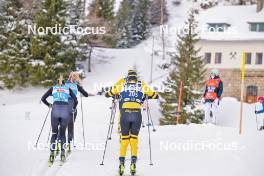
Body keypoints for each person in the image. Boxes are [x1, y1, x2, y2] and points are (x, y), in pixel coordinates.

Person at [105, 70, 159, 176]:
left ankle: (121, 165)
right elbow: (154, 94)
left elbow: (109, 93)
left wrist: (110, 94)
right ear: (136, 77)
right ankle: (133, 165)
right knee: (134, 139)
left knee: (124, 140)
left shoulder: (122, 84)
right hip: (137, 114)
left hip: (124, 113)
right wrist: (152, 96)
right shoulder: (141, 84)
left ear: (128, 77)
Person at [41, 75, 78, 166]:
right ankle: (62, 154)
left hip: (55, 110)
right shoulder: (67, 89)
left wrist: (49, 105)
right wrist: (73, 108)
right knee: (62, 133)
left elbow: (43, 99)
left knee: (54, 133)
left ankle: (51, 155)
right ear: (64, 83)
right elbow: (75, 100)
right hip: (65, 110)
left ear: (57, 82)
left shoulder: (53, 88)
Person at [65, 72, 89, 151]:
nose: (74, 78)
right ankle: (68, 142)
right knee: (70, 125)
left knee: (64, 125)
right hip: (72, 105)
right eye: (74, 77)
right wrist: (81, 90)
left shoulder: (65, 84)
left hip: (63, 105)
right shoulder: (77, 85)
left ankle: (62, 142)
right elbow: (86, 94)